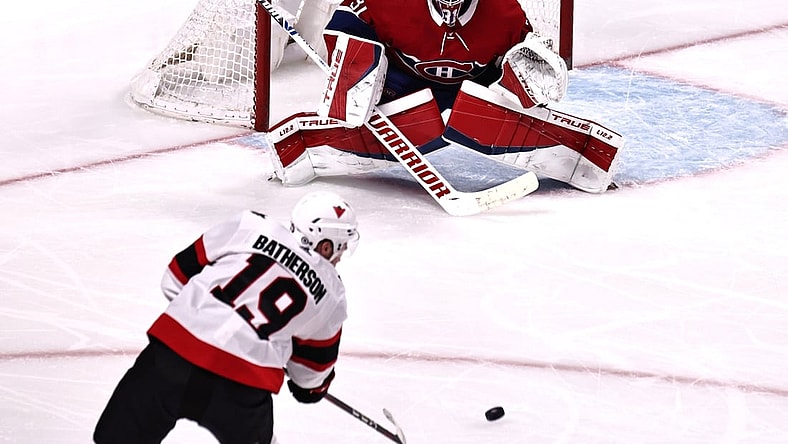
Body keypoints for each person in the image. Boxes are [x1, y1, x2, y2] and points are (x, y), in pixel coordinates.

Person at [265, 0, 624, 194]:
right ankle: (305, 151)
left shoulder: (503, 12)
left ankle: (582, 158)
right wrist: (355, 68)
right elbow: (343, 24)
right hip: (401, 85)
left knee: (477, 113)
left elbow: (519, 59)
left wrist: (525, 76)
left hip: (472, 89)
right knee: (388, 111)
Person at [93, 191, 360, 444]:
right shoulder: (332, 292)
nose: (339, 257)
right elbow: (310, 378)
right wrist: (310, 388)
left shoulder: (251, 225)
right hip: (242, 386)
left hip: (170, 358)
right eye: (340, 248)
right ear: (326, 247)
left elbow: (173, 279)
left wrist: (205, 316)